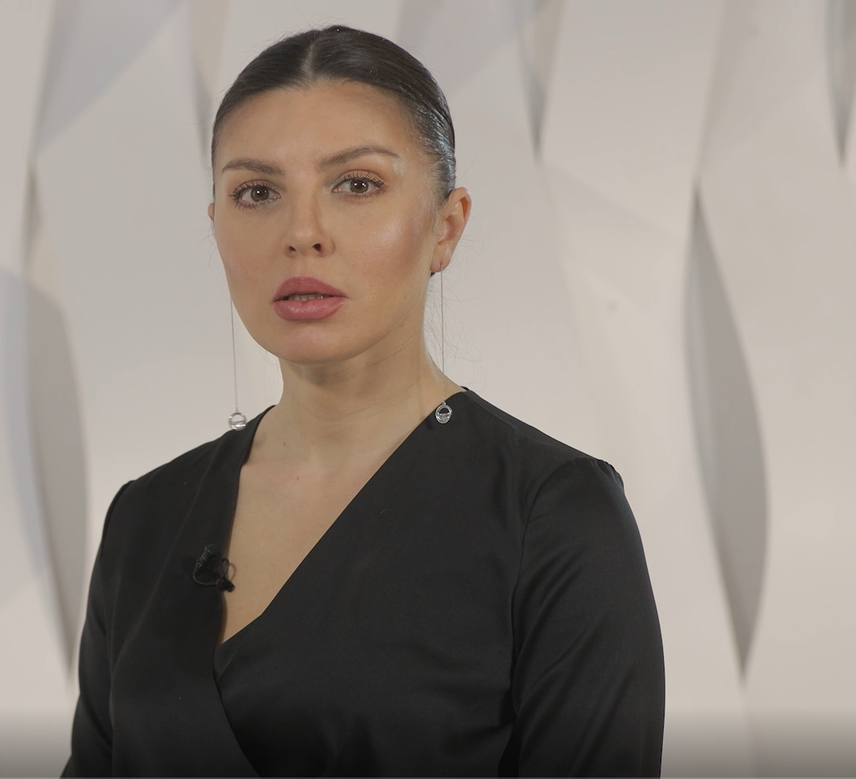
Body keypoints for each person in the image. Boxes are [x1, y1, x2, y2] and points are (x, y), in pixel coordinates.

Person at [62, 24, 664, 777]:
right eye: (257, 192)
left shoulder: (554, 515)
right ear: (216, 225)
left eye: (356, 185)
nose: (302, 233)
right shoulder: (145, 517)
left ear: (445, 226)